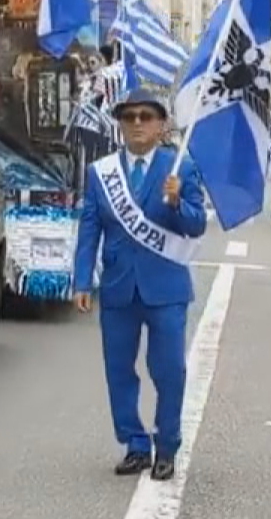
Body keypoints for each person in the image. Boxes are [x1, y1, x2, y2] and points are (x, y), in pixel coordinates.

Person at [71, 85, 208, 482]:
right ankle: (134, 443)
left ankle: (167, 446)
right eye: (128, 117)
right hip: (117, 287)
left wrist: (178, 201)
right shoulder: (102, 173)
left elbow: (197, 225)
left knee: (168, 370)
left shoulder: (179, 166)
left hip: (166, 288)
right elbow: (89, 229)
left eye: (145, 117)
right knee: (118, 370)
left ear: (161, 125)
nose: (136, 124)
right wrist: (82, 280)